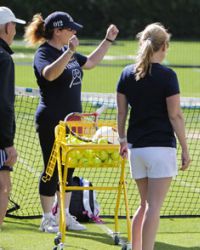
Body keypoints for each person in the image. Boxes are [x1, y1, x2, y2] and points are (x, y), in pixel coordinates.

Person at [24, 11, 118, 233]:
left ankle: (64, 215)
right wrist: (70, 52)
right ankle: (47, 218)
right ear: (58, 31)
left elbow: (92, 62)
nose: (74, 32)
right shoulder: (44, 53)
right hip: (51, 121)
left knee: (68, 169)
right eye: (70, 28)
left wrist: (108, 40)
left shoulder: (69, 52)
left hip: (73, 122)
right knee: (52, 167)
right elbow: (49, 74)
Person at [116, 23, 190, 250]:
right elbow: (175, 115)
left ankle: (135, 247)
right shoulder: (168, 75)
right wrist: (186, 149)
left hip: (136, 149)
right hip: (160, 149)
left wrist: (122, 140)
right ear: (164, 46)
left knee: (145, 204)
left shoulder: (127, 73)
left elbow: (121, 112)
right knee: (153, 207)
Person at [0, 7, 25, 230]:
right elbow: (4, 104)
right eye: (14, 26)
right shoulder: (4, 59)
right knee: (3, 187)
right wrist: (8, 144)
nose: (15, 31)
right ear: (8, 27)